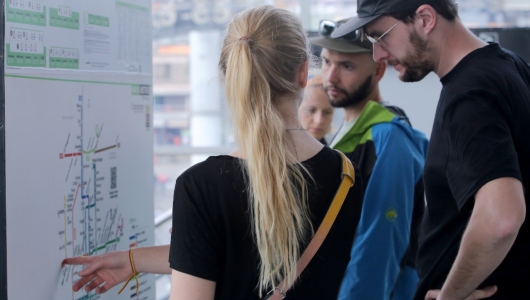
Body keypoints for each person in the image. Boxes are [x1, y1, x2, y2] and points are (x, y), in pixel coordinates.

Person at [63, 5, 364, 299]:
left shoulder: (202, 186)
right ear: (303, 73)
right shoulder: (346, 173)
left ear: (228, 76)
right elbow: (256, 251)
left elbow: (235, 254)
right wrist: (133, 260)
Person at [332, 0, 530, 299]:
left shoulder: (469, 95)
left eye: (381, 36)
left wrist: (451, 295)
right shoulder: (509, 66)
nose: (378, 54)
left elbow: (501, 219)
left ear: (425, 19)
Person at [310, 19, 428, 300]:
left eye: (347, 66)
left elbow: (379, 246)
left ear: (378, 70)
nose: (331, 77)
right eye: (327, 62)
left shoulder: (389, 138)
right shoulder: (347, 135)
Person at [298, 74, 334, 144]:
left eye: (327, 112)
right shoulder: (275, 150)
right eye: (310, 110)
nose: (319, 121)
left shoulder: (337, 153)